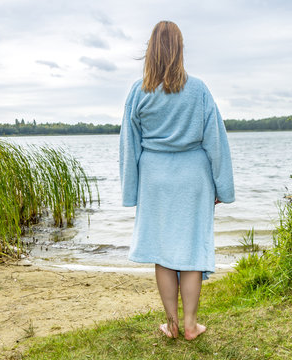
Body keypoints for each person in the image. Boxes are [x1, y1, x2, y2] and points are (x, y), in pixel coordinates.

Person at [119, 20, 235, 340]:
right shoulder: (198, 89)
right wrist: (222, 186)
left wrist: (131, 192)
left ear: (151, 51)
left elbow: (129, 145)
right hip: (193, 178)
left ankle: (171, 324)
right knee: (193, 250)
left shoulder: (137, 91)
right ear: (180, 50)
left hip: (154, 180)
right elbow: (215, 140)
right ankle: (190, 325)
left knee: (164, 252)